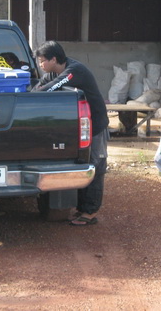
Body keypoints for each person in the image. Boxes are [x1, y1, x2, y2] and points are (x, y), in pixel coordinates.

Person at [34, 41, 109, 226]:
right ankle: (81, 209)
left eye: (43, 61)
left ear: (53, 59)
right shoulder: (53, 72)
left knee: (96, 166)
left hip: (96, 125)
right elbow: (37, 89)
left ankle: (90, 212)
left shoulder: (74, 70)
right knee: (83, 164)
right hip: (81, 127)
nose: (40, 65)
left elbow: (48, 89)